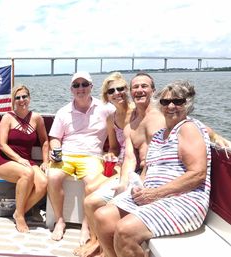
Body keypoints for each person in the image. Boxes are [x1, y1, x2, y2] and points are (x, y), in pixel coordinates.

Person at [94, 80, 212, 257]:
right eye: (165, 102)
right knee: (102, 216)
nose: (171, 106)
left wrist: (156, 193)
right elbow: (148, 170)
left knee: (125, 230)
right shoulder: (158, 136)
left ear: (187, 103)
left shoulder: (187, 128)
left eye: (177, 101)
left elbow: (197, 174)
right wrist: (138, 186)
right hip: (154, 195)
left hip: (184, 200)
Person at [47, 71, 116, 241]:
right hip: (67, 155)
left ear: (91, 87)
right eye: (76, 85)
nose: (81, 88)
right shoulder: (63, 112)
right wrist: (55, 150)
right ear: (71, 89)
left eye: (84, 84)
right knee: (53, 176)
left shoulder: (106, 109)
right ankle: (60, 221)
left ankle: (86, 225)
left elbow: (123, 117)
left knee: (93, 183)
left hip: (92, 156)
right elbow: (55, 138)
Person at [73, 72, 135, 255]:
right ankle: (95, 240)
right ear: (106, 96)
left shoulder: (137, 112)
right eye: (111, 91)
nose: (117, 93)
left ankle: (98, 242)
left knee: (92, 196)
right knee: (90, 188)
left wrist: (213, 135)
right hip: (119, 163)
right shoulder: (111, 118)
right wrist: (110, 155)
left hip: (132, 166)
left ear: (127, 90)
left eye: (121, 89)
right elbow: (114, 147)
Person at [0, 85, 49, 233]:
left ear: (29, 98)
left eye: (24, 96)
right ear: (13, 101)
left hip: (26, 161)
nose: (21, 100)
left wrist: (45, 161)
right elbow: (2, 144)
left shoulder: (36, 118)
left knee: (43, 183)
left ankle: (19, 211)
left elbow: (44, 141)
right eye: (17, 97)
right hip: (5, 161)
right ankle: (20, 217)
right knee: (27, 173)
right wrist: (18, 159)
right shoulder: (8, 117)